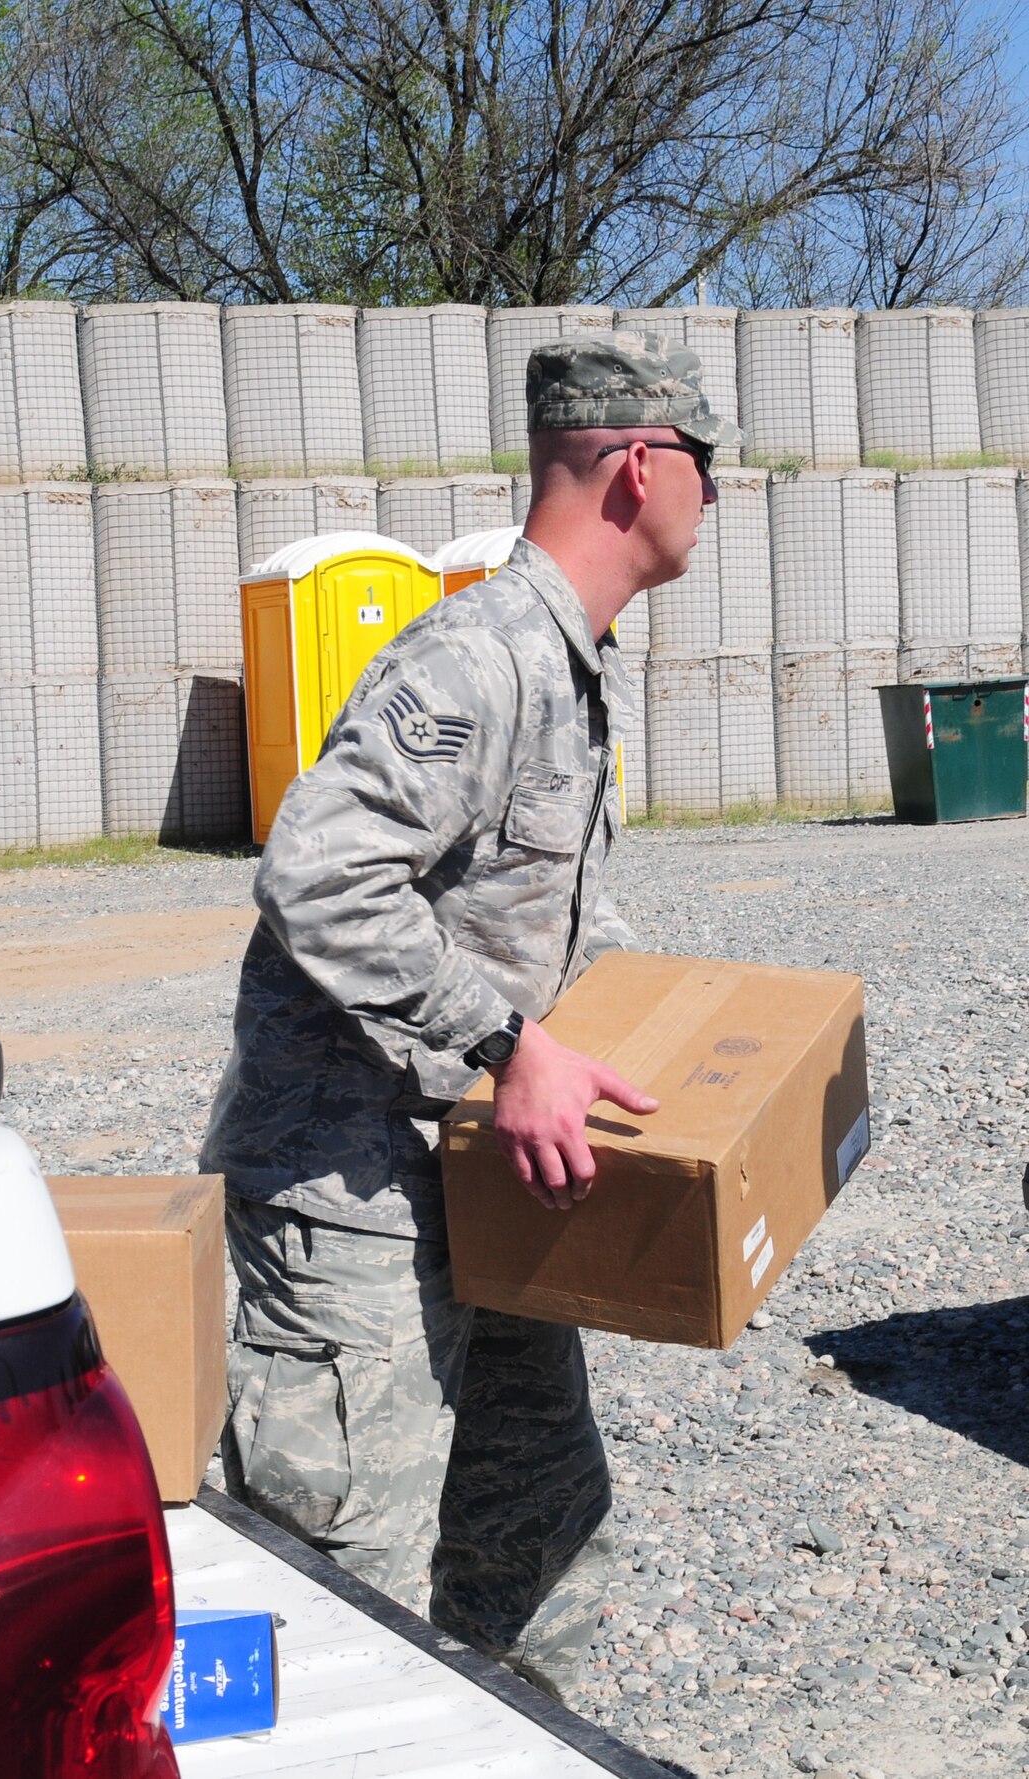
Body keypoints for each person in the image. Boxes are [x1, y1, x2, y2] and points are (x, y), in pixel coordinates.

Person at [200, 333, 737, 1700]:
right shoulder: (478, 658)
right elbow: (318, 869)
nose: (716, 498)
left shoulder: (575, 662)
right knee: (344, 1589)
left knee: (536, 1539)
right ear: (636, 464)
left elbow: (528, 915)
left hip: (483, 1176)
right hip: (352, 1201)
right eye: (708, 464)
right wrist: (509, 1043)